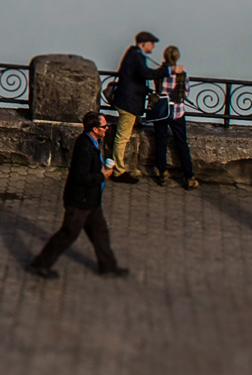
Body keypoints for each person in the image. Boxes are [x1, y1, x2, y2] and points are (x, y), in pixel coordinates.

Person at [28, 111, 129, 279]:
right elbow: (80, 176)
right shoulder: (84, 147)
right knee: (68, 234)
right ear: (95, 129)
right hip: (79, 202)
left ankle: (108, 266)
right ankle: (40, 264)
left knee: (100, 232)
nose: (107, 129)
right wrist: (102, 176)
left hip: (91, 200)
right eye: (104, 126)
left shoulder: (93, 142)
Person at [107, 32, 160, 182]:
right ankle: (118, 171)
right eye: (151, 43)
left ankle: (117, 168)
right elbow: (146, 74)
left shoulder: (133, 53)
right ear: (143, 44)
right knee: (122, 137)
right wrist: (167, 70)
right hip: (128, 103)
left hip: (126, 101)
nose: (153, 46)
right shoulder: (136, 56)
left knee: (124, 134)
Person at [146, 45, 195, 189]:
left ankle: (162, 173)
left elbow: (156, 87)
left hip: (161, 111)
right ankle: (189, 176)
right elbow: (185, 94)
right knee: (182, 144)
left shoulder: (160, 73)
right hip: (177, 112)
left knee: (160, 142)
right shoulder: (182, 74)